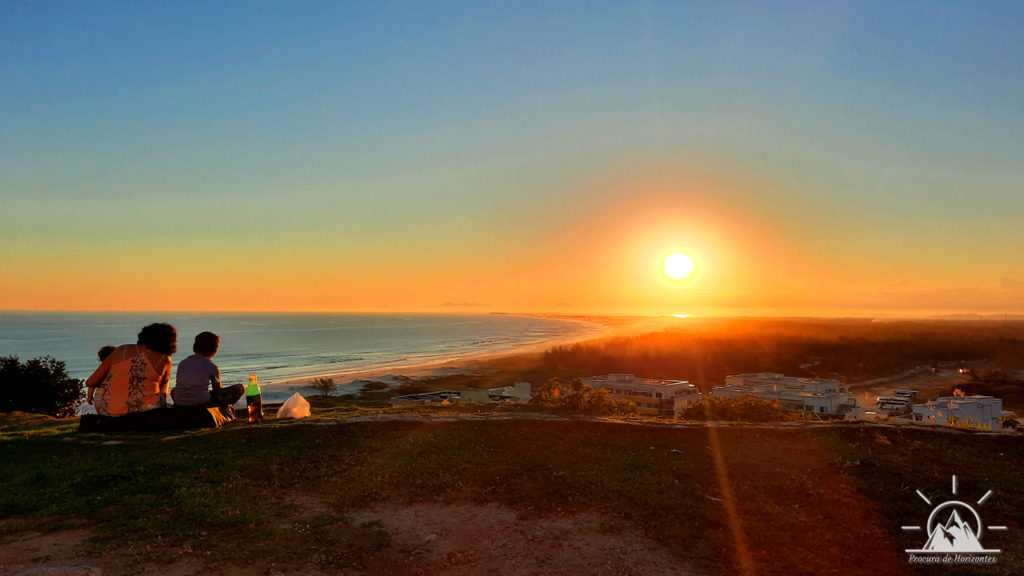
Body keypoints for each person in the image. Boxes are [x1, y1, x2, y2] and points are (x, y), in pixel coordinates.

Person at [86, 323, 177, 417]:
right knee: (165, 383)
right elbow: (163, 388)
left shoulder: (121, 350)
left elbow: (90, 382)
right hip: (147, 412)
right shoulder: (165, 359)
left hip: (111, 412)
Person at [171, 331, 244, 419]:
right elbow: (217, 390)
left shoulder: (182, 363)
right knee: (239, 388)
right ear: (214, 351)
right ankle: (226, 410)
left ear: (194, 348)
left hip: (180, 403)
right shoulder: (211, 366)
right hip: (201, 404)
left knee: (174, 390)